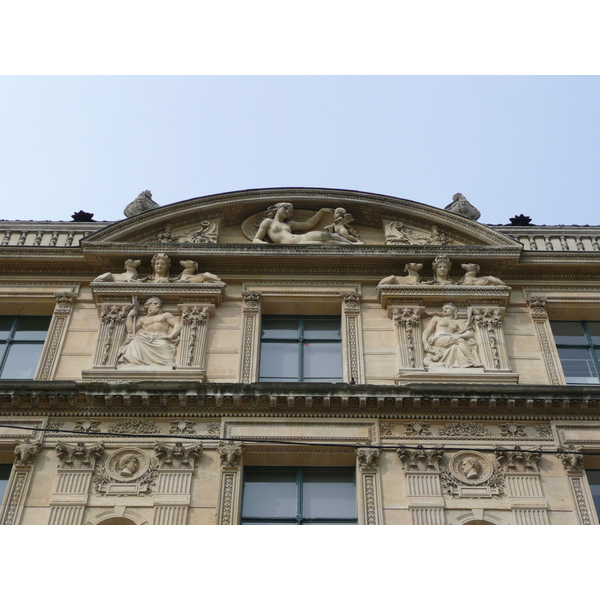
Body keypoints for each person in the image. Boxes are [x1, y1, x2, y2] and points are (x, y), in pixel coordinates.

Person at [118, 297, 181, 368]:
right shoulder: (142, 319)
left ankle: (166, 364)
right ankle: (138, 363)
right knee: (135, 342)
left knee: (163, 345)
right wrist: (129, 316)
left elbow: (177, 325)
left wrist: (171, 336)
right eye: (155, 304)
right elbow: (131, 330)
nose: (158, 306)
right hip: (146, 338)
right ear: (148, 305)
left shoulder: (165, 315)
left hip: (160, 338)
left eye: (159, 304)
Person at [252, 202, 357, 245]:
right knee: (328, 243)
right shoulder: (268, 222)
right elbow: (256, 239)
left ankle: (353, 245)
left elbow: (308, 225)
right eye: (285, 208)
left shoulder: (289, 224)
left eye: (290, 211)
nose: (288, 212)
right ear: (277, 208)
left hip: (303, 237)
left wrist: (321, 211)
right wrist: (264, 245)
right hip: (298, 245)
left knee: (328, 235)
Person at [422, 303, 482, 368]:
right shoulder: (437, 319)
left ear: (453, 310)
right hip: (438, 339)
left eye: (447, 308)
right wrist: (425, 341)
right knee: (460, 340)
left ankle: (467, 362)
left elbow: (470, 333)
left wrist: (459, 336)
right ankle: (472, 360)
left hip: (451, 339)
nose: (444, 310)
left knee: (457, 345)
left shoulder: (457, 322)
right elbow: (428, 331)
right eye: (443, 309)